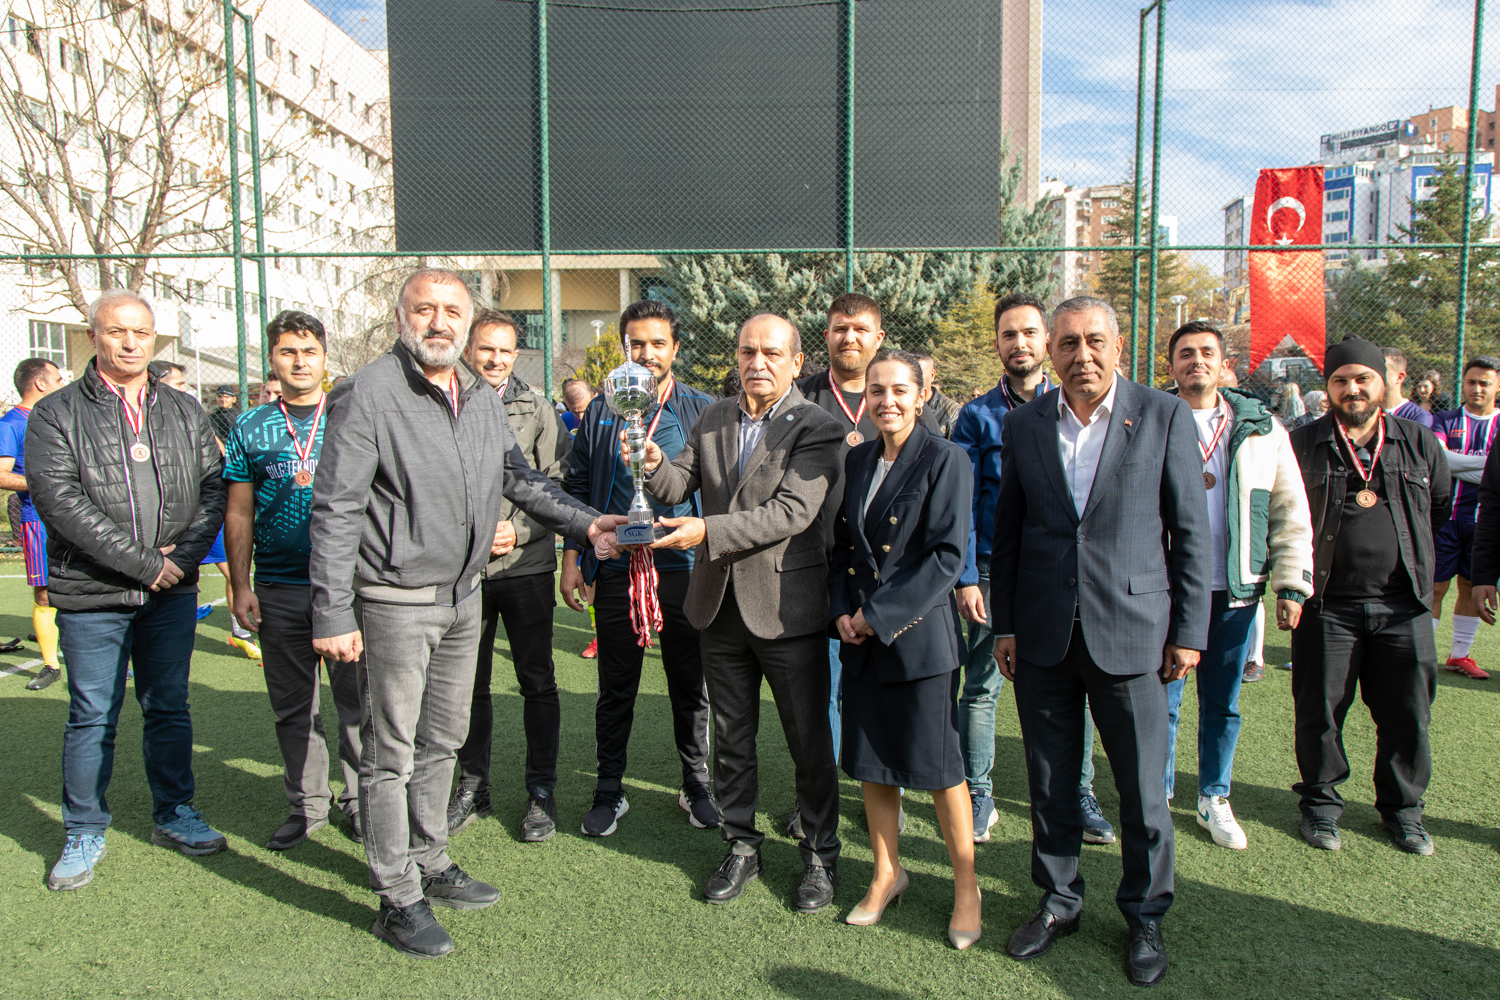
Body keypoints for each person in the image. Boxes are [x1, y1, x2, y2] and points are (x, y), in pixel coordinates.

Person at [307, 268, 619, 959]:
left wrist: (588, 524)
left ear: (468, 321)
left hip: (464, 595)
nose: (439, 321)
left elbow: (518, 478)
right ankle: (397, 896)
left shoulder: (476, 393)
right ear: (402, 317)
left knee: (444, 740)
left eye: (452, 310)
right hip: (393, 600)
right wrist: (331, 610)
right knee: (389, 752)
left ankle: (430, 856)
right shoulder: (366, 393)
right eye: (425, 308)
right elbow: (335, 509)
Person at [990, 296, 1211, 987]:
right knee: (1051, 782)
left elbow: (1191, 532)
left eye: (1094, 341)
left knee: (1142, 790)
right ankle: (1059, 900)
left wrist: (1189, 632)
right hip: (1044, 635)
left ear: (1118, 346)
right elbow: (1009, 532)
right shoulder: (1024, 424)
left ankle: (1145, 913)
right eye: (1068, 343)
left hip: (1135, 633)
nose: (1081, 355)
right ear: (1050, 352)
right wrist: (1006, 624)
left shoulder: (1164, 414)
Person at [633, 313, 843, 912]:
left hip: (786, 610)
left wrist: (707, 531)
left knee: (808, 741)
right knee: (731, 738)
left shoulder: (818, 427)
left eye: (772, 353)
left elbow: (790, 513)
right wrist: (653, 461)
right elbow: (677, 485)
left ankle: (820, 855)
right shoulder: (715, 415)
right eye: (748, 351)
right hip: (717, 606)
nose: (758, 363)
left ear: (796, 362)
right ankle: (742, 845)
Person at [27, 289, 229, 891]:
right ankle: (83, 828)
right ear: (94, 335)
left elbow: (213, 489)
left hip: (170, 592)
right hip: (93, 592)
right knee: (93, 714)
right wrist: (144, 564)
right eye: (116, 331)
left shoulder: (185, 410)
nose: (130, 342)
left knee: (168, 706)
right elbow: (59, 501)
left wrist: (180, 561)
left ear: (153, 337)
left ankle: (175, 813)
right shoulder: (57, 413)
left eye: (141, 332)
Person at [828, 350, 980, 948]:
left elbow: (946, 558)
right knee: (873, 765)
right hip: (862, 638)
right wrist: (842, 611)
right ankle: (886, 873)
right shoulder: (858, 458)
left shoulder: (946, 458)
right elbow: (843, 548)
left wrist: (876, 616)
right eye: (876, 390)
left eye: (898, 390)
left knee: (941, 770)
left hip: (918, 641)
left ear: (921, 395)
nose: (886, 401)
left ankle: (966, 886)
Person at [559, 301, 718, 837]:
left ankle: (696, 783)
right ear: (623, 347)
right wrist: (573, 557)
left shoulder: (701, 408)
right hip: (616, 566)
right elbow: (578, 485)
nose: (646, 354)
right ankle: (609, 788)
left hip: (685, 567)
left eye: (657, 343)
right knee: (616, 684)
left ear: (675, 348)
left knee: (689, 683)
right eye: (636, 344)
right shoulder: (602, 408)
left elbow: (716, 487)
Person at [1287, 336, 1449, 857]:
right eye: (1340, 380)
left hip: (1403, 607)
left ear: (1384, 382)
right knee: (1321, 713)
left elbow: (1439, 508)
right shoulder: (1301, 443)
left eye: (1362, 379)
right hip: (1327, 605)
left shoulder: (1418, 442)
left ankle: (1404, 812)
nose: (1352, 389)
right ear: (1328, 387)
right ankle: (1320, 805)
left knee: (1408, 714)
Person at [790, 293, 940, 835]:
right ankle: (820, 798)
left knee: (881, 701)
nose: (848, 337)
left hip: (886, 583)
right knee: (819, 696)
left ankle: (884, 795)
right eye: (838, 328)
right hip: (814, 571)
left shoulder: (913, 405)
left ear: (879, 338)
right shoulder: (801, 396)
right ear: (825, 336)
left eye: (860, 329)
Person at [1163, 321, 1315, 849]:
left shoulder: (1263, 428)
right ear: (1172, 365)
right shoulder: (1152, 417)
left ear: (1224, 363)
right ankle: (1158, 792)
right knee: (1163, 699)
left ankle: (1213, 795)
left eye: (1207, 352)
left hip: (1235, 589)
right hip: (1166, 588)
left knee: (1223, 701)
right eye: (1185, 353)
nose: (1196, 361)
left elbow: (1289, 508)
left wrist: (1292, 584)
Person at [224, 310, 362, 852]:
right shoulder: (250, 426)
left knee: (357, 704)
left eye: (309, 352)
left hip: (346, 587)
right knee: (293, 706)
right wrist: (240, 585)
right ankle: (307, 805)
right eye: (288, 352)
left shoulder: (352, 415)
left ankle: (360, 801)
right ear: (272, 359)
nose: (300, 362)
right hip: (279, 586)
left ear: (326, 357)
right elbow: (239, 511)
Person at [446, 309, 575, 843]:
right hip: (463, 571)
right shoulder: (445, 400)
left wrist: (517, 532)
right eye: (486, 349)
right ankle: (472, 788)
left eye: (505, 350)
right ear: (468, 350)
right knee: (466, 685)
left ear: (516, 354)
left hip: (525, 566)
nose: (496, 359)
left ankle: (540, 792)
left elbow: (555, 485)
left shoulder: (539, 408)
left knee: (536, 681)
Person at [950, 291, 1060, 845]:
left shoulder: (1072, 406)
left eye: (1029, 332)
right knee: (982, 687)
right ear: (997, 344)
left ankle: (1077, 792)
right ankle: (979, 792)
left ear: (1047, 340)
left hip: (1059, 571)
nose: (1020, 343)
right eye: (1009, 334)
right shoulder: (976, 416)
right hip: (994, 571)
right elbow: (963, 504)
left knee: (1067, 685)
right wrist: (967, 575)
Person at [1428, 356, 1500, 680]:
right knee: (1435, 585)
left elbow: (1457, 466)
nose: (1477, 389)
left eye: (1485, 383)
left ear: (1497, 386)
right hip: (1447, 518)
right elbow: (1441, 461)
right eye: (1471, 382)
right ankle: (1423, 654)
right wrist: (1489, 465)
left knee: (1473, 586)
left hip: (1485, 523)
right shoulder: (1445, 419)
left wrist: (1460, 466)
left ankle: (1460, 655)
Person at [0, 358, 67, 690]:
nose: (62, 383)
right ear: (40, 383)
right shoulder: (11, 424)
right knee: (44, 593)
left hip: (74, 516)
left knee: (83, 584)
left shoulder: (58, 417)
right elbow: (2, 475)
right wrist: (43, 483)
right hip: (37, 521)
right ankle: (51, 664)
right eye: (57, 378)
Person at [912, 350, 961, 439]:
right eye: (910, 373)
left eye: (919, 373)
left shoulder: (951, 412)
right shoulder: (896, 407)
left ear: (932, 375)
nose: (913, 379)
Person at [1382, 347, 1435, 430]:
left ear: (1399, 377)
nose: (1374, 377)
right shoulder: (1365, 411)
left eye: (1382, 372)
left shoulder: (1418, 417)